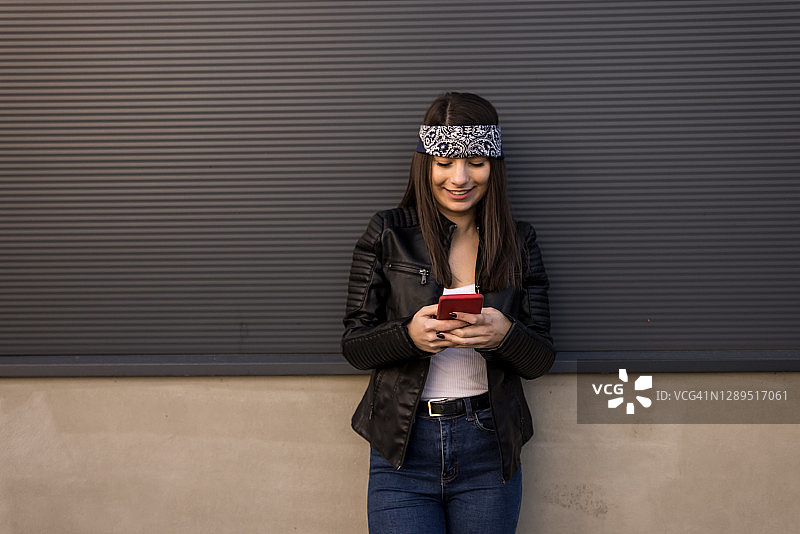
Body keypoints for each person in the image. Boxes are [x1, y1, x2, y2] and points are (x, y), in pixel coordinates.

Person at [342, 92, 555, 533]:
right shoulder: (388, 232)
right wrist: (408, 336)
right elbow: (355, 345)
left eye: (476, 161)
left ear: (494, 166)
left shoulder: (520, 241)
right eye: (444, 161)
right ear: (426, 165)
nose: (459, 177)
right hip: (402, 448)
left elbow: (541, 357)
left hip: (489, 446)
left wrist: (504, 335)